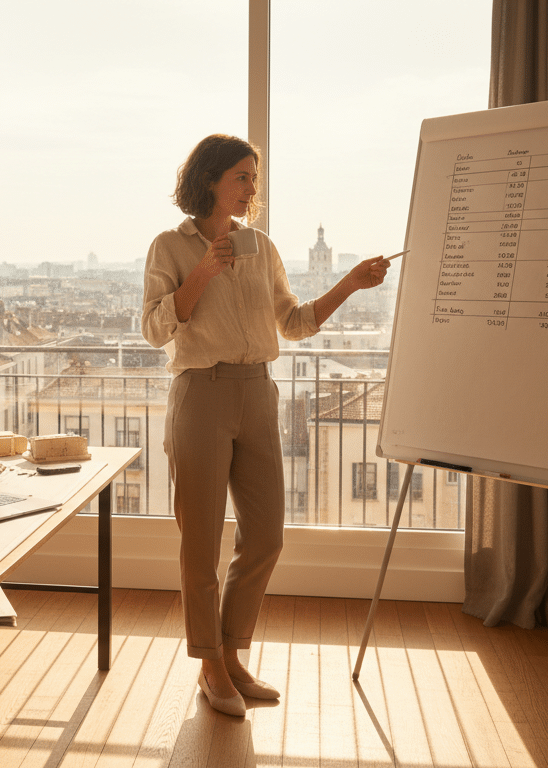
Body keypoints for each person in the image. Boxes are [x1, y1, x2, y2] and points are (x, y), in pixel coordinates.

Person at [141, 134, 391, 717]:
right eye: (242, 177)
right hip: (200, 395)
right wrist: (203, 271)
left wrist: (350, 285)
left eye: (254, 177)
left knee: (266, 535)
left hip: (259, 394)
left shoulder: (264, 247)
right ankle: (210, 665)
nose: (252, 188)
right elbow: (155, 330)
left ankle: (230, 654)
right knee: (200, 541)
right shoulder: (168, 246)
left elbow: (296, 323)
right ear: (210, 180)